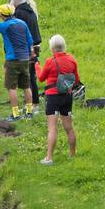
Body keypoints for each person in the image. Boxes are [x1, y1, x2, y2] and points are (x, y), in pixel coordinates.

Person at [0, 0, 36, 120]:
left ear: (2, 15)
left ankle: (16, 114)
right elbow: (30, 41)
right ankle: (29, 112)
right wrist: (30, 54)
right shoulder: (22, 23)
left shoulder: (4, 26)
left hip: (13, 60)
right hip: (25, 59)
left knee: (12, 87)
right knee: (26, 86)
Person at [38, 34, 80, 165]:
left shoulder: (50, 61)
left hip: (53, 97)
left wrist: (36, 66)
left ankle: (49, 158)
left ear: (52, 48)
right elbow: (77, 80)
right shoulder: (72, 60)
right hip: (67, 96)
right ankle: (73, 155)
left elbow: (41, 78)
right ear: (64, 46)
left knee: (52, 128)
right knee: (69, 127)